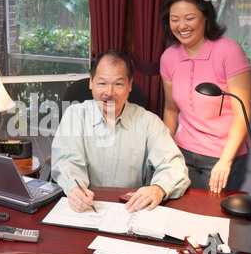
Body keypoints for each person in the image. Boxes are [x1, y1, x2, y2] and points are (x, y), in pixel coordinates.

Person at [51, 50, 190, 213]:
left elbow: (174, 166)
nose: (109, 92)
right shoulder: (74, 115)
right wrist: (75, 188)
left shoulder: (149, 122)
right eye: (102, 83)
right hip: (86, 209)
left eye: (118, 84)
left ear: (129, 85)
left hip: (131, 210)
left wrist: (158, 188)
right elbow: (66, 160)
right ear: (91, 83)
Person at [159, 0, 251, 193]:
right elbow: (171, 110)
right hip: (183, 150)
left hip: (222, 155)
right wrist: (163, 149)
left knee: (213, 218)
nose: (182, 25)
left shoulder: (229, 52)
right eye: (175, 20)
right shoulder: (169, 58)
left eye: (190, 18)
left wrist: (225, 161)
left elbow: (242, 113)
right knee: (182, 212)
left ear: (206, 16)